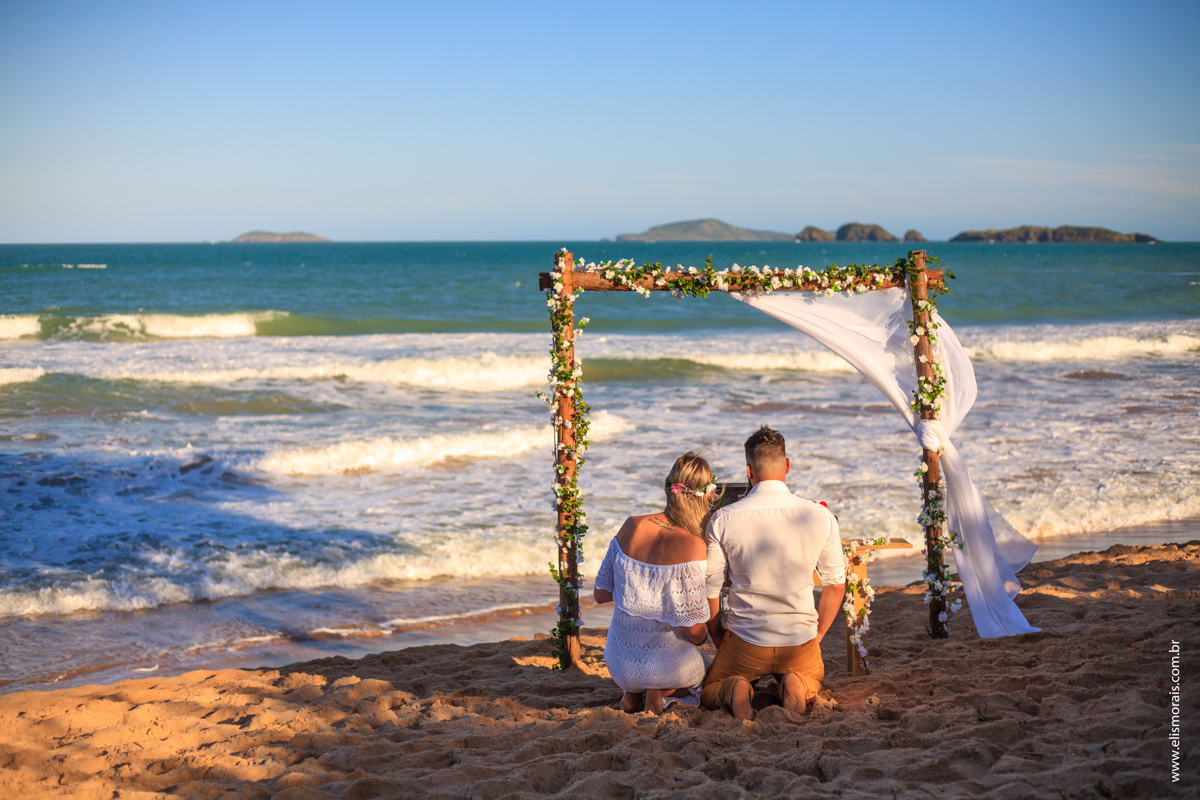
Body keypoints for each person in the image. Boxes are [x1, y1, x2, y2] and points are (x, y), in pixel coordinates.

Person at [700, 426, 847, 721]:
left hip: (746, 642)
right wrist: (816, 634)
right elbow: (835, 585)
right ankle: (798, 683)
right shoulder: (820, 516)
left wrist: (718, 636)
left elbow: (710, 589)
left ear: (748, 471)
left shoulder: (723, 518)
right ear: (787, 465)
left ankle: (736, 688)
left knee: (710, 690)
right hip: (799, 642)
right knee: (813, 682)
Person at [593, 451, 717, 714]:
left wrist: (638, 592)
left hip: (619, 663)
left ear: (668, 488)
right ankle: (661, 691)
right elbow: (694, 632)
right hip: (667, 668)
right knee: (704, 669)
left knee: (649, 657)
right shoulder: (694, 545)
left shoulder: (632, 525)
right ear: (705, 497)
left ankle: (633, 692)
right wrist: (707, 631)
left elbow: (601, 594)